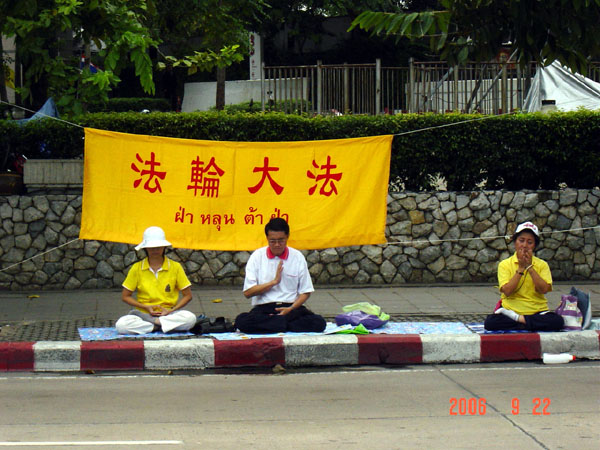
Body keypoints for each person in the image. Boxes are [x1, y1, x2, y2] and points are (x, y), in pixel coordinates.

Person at [234, 218, 326, 334]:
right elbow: (248, 293)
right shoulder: (257, 257)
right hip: (265, 309)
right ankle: (283, 324)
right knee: (241, 321)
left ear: (287, 237)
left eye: (281, 240)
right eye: (272, 241)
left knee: (319, 322)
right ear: (267, 238)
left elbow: (306, 291)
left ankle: (276, 324)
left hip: (291, 308)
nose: (277, 244)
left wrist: (291, 308)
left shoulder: (297, 256)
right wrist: (273, 282)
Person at [115, 226, 197, 334]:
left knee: (190, 318)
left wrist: (171, 310)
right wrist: (146, 307)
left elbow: (188, 295)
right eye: (151, 247)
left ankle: (155, 325)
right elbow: (125, 296)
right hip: (143, 314)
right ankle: (162, 326)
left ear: (164, 247)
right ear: (145, 248)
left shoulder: (175, 267)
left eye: (158, 247)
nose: (155, 250)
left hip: (168, 314)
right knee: (121, 325)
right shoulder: (136, 268)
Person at [484, 221, 564, 332]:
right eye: (521, 241)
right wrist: (521, 269)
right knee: (490, 322)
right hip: (511, 310)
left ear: (534, 245)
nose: (525, 245)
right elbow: (507, 291)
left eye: (529, 242)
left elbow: (544, 290)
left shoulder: (542, 265)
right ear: (515, 242)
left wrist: (530, 268)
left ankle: (520, 321)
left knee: (557, 321)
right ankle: (528, 323)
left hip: (537, 311)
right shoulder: (505, 264)